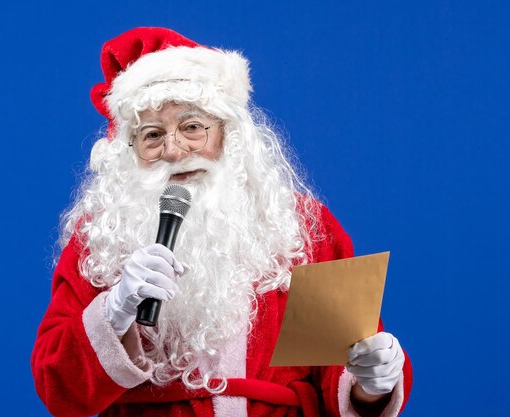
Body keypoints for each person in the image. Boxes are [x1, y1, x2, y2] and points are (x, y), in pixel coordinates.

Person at [31, 27, 413, 417]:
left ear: (229, 132)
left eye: (192, 127)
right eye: (152, 135)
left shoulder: (304, 229)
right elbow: (56, 388)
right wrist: (113, 313)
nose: (174, 150)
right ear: (130, 150)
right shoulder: (103, 238)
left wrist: (371, 383)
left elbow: (341, 366)